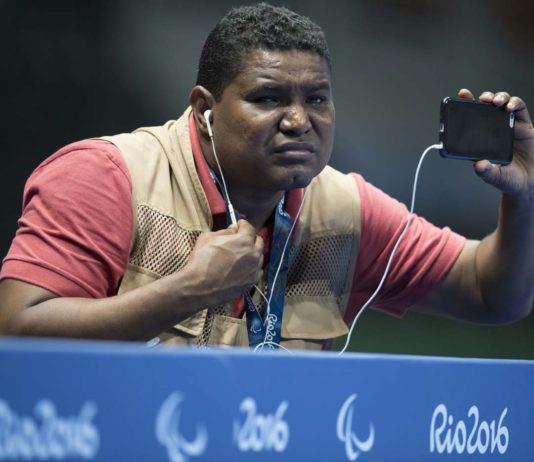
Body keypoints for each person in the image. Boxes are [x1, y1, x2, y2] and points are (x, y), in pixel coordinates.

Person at [0, 3, 532, 350]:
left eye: (316, 99)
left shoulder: (345, 209)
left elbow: (493, 295)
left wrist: (525, 200)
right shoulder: (107, 176)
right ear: (205, 111)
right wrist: (184, 292)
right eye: (268, 98)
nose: (299, 121)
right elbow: (15, 331)